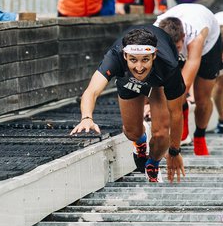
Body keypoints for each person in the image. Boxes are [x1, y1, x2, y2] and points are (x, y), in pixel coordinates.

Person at [70, 26, 186, 183]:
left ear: (154, 55)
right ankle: (140, 142)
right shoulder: (114, 57)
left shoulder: (169, 66)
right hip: (128, 79)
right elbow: (91, 91)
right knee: (132, 132)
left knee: (161, 135)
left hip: (158, 82)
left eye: (145, 59)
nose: (139, 68)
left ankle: (152, 163)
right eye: (133, 59)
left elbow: (176, 113)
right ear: (124, 55)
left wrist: (174, 152)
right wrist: (86, 118)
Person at [156, 4, 223, 156]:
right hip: (185, 25)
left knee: (202, 97)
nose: (173, 53)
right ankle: (183, 112)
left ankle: (200, 136)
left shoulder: (196, 37)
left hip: (209, 43)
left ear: (183, 38)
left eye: (176, 48)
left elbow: (184, 85)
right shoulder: (154, 33)